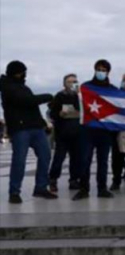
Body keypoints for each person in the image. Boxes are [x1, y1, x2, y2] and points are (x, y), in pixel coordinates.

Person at [1, 61, 57, 204]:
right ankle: (14, 192)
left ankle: (40, 187)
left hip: (36, 128)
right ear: (17, 72)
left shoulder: (23, 86)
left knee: (45, 155)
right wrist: (48, 96)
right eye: (22, 72)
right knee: (19, 160)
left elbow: (33, 109)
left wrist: (43, 124)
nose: (24, 74)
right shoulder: (7, 87)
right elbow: (26, 101)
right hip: (20, 129)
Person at [73, 59, 116, 201]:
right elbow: (77, 105)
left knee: (103, 161)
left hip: (105, 131)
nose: (101, 72)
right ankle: (83, 189)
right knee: (84, 160)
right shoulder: (85, 87)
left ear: (108, 72)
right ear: (94, 70)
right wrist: (76, 95)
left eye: (104, 70)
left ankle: (102, 188)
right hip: (88, 130)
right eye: (99, 69)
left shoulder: (113, 90)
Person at [48, 74, 82, 192]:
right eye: (69, 82)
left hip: (77, 132)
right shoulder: (59, 96)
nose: (72, 84)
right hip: (63, 132)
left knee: (76, 158)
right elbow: (52, 113)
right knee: (59, 158)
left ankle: (74, 180)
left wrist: (78, 95)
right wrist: (59, 114)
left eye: (74, 82)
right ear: (64, 84)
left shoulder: (80, 96)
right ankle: (53, 179)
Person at [109, 73, 125, 191]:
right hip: (117, 130)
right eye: (124, 80)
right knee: (117, 157)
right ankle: (116, 179)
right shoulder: (116, 95)